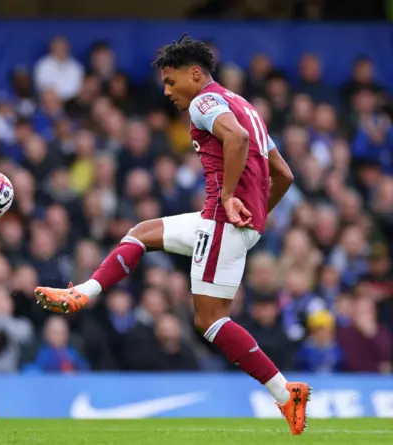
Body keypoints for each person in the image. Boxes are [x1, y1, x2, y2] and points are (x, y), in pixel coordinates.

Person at [34, 34, 309, 435]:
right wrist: (256, 214)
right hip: (224, 220)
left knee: (209, 321)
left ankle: (286, 394)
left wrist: (232, 199)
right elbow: (283, 174)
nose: (166, 91)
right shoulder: (246, 106)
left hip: (221, 220)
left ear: (195, 74)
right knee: (142, 233)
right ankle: (84, 293)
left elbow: (237, 139)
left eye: (170, 80)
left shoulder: (204, 101)